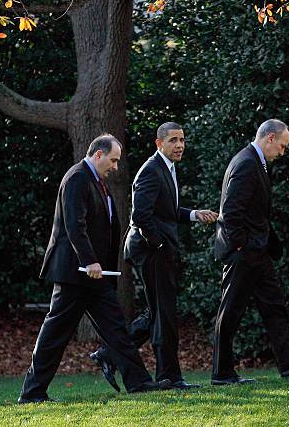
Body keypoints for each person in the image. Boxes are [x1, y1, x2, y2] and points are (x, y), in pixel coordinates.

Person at [18, 134, 169, 404]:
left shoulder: (98, 181)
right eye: (113, 160)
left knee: (117, 330)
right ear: (97, 154)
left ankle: (139, 382)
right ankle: (32, 393)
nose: (115, 166)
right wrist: (89, 261)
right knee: (55, 335)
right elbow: (75, 227)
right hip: (75, 273)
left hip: (94, 277)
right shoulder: (77, 178)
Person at [90, 122, 217, 391]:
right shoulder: (150, 170)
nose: (180, 145)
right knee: (164, 313)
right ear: (159, 144)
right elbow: (141, 215)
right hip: (150, 251)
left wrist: (194, 214)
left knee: (158, 313)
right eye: (173, 140)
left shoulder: (167, 169)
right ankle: (169, 377)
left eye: (182, 139)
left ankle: (109, 354)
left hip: (155, 249)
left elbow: (165, 209)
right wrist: (159, 245)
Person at [212, 119, 289, 385]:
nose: (282, 153)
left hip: (257, 252)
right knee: (230, 312)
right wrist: (242, 245)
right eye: (282, 147)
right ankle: (222, 373)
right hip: (244, 253)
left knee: (275, 307)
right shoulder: (246, 164)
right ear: (270, 138)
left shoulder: (254, 161)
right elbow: (231, 212)